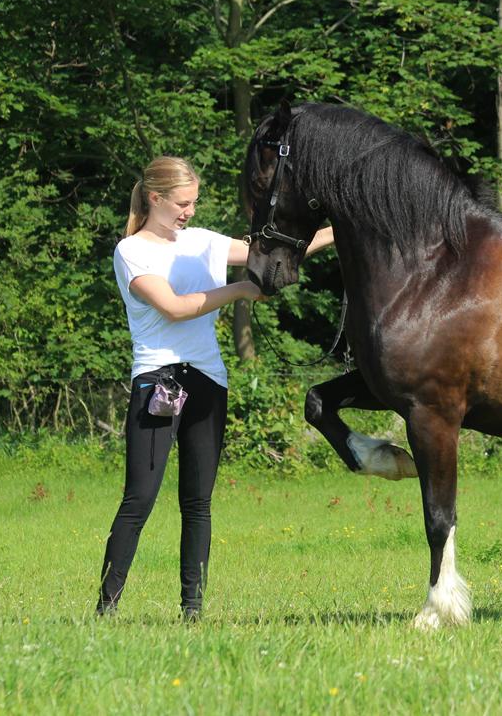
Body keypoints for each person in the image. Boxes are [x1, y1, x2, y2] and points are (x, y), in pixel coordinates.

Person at [97, 155, 333, 620]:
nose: (189, 212)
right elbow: (175, 308)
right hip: (157, 381)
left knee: (197, 503)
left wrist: (341, 227)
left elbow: (280, 251)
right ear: (155, 198)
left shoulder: (203, 242)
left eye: (194, 203)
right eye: (182, 203)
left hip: (207, 381)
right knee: (140, 498)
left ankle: (193, 612)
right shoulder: (132, 252)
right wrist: (242, 291)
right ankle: (106, 608)